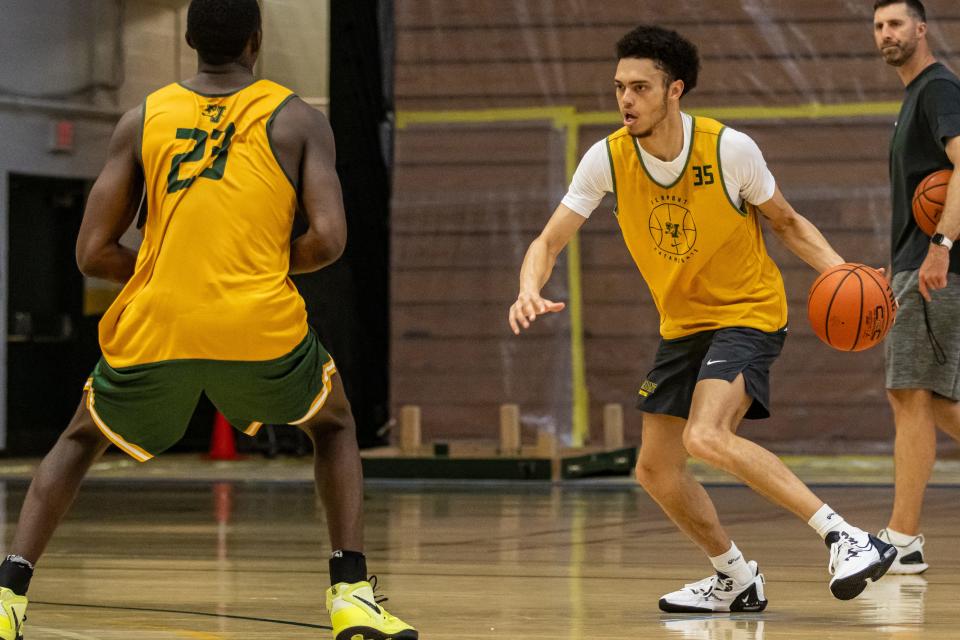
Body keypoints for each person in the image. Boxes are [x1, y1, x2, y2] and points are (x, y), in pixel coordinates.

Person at [0, 2, 417, 639]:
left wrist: (166, 272)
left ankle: (8, 595)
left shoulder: (141, 118)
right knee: (333, 426)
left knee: (80, 439)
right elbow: (329, 241)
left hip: (157, 320)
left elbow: (91, 252)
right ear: (258, 39)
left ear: (191, 40)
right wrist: (260, 269)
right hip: (257, 320)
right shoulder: (300, 118)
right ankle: (351, 591)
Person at [509, 24, 897, 612]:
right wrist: (526, 288)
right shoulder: (606, 159)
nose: (626, 100)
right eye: (619, 87)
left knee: (706, 435)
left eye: (640, 88)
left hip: (750, 313)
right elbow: (548, 241)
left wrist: (845, 276)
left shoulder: (728, 149)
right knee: (655, 469)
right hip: (683, 325)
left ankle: (847, 537)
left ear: (675, 91)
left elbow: (787, 223)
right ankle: (736, 579)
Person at [873, 0, 960, 575]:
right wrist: (900, 262)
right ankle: (903, 538)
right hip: (916, 265)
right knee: (935, 401)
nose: (886, 34)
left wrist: (940, 247)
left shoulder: (937, 90)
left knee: (910, 394)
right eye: (878, 26)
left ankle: (902, 539)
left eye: (897, 24)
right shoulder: (915, 97)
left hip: (935, 268)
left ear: (922, 29)